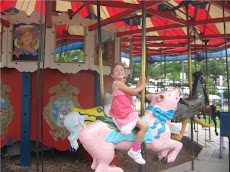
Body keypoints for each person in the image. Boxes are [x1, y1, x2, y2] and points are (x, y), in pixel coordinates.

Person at [109, 63, 148, 165]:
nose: (120, 71)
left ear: (125, 73)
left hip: (124, 110)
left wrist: (139, 83)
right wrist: (142, 86)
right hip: (124, 112)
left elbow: (133, 93)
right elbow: (132, 91)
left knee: (143, 126)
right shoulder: (117, 83)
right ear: (112, 75)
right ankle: (135, 150)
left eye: (121, 70)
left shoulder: (122, 84)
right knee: (144, 127)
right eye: (116, 70)